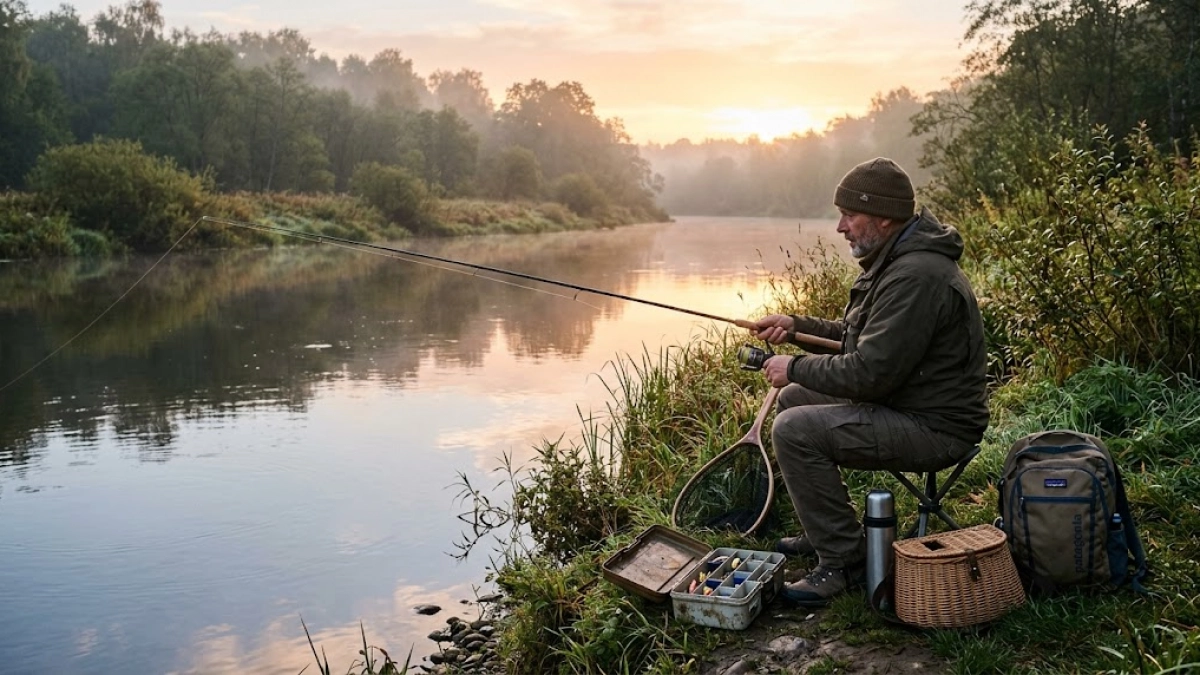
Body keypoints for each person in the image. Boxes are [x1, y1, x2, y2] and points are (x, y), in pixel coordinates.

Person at [746, 157, 989, 608]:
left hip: (936, 426)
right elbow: (859, 339)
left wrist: (791, 365)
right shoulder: (896, 260)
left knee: (793, 428)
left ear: (883, 216)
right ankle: (828, 532)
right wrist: (794, 325)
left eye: (849, 215)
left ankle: (843, 563)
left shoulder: (915, 275)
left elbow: (869, 372)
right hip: (908, 401)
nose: (840, 227)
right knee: (796, 399)